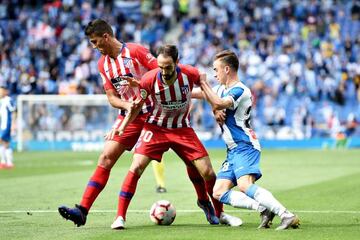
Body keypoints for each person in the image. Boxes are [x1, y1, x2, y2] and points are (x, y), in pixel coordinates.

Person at [111, 44, 242, 229]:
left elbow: (206, 90)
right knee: (136, 167)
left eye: (168, 67)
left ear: (177, 62)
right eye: (160, 66)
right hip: (155, 128)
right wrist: (123, 126)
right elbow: (137, 106)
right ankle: (119, 217)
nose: (164, 71)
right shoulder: (149, 79)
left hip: (182, 129)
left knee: (208, 172)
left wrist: (215, 108)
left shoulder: (191, 74)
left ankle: (216, 211)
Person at [58, 19, 167, 227]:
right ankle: (82, 211)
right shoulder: (103, 64)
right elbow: (111, 97)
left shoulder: (135, 51)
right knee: (106, 157)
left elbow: (163, 73)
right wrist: (127, 106)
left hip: (155, 114)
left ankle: (211, 204)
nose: (94, 47)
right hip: (130, 115)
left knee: (189, 162)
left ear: (106, 37)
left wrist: (146, 91)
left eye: (95, 42)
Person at [197, 50, 300, 230]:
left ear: (227, 69)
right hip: (233, 151)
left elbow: (220, 103)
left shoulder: (240, 90)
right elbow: (201, 95)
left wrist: (206, 87)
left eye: (216, 70)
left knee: (245, 185)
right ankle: (264, 209)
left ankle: (286, 215)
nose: (214, 74)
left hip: (245, 145)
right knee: (218, 192)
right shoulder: (221, 89)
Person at [0, 86, 16, 169]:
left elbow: (13, 111)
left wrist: (13, 124)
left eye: (1, 91)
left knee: (2, 141)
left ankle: (5, 162)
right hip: (2, 124)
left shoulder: (8, 100)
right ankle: (7, 163)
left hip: (6, 125)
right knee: (5, 143)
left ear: (5, 92)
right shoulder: (1, 101)